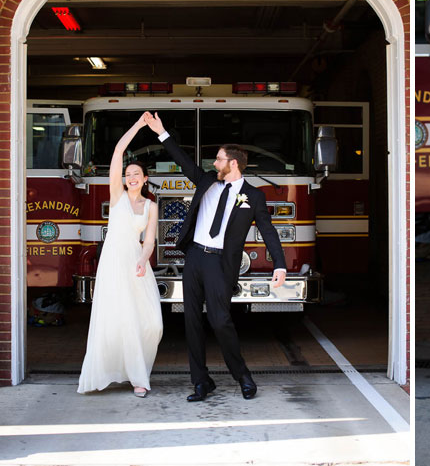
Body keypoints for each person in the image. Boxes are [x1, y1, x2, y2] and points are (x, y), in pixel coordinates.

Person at [143, 111, 287, 402]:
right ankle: (201, 381)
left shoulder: (254, 196)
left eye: (219, 159)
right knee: (192, 321)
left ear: (233, 164)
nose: (214, 163)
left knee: (221, 320)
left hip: (221, 263)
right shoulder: (206, 180)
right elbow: (183, 161)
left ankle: (242, 375)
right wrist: (161, 133)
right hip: (194, 257)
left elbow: (269, 232)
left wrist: (280, 264)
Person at [78, 116, 163, 398]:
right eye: (128, 174)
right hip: (113, 262)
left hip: (136, 263)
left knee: (152, 323)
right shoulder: (117, 196)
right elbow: (117, 152)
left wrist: (143, 259)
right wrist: (139, 126)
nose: (131, 177)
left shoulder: (151, 206)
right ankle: (135, 378)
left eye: (136, 173)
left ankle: (138, 372)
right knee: (118, 319)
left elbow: (149, 240)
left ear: (145, 178)